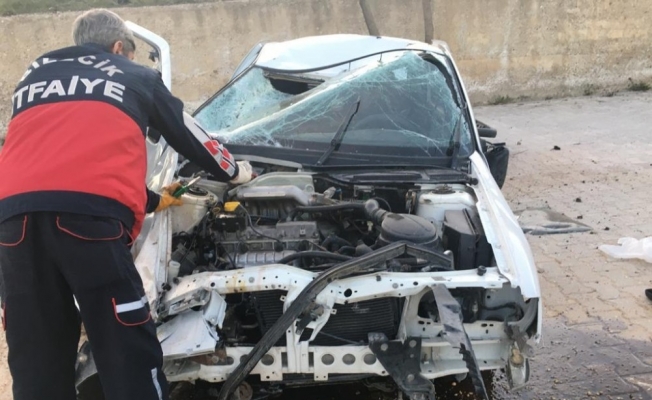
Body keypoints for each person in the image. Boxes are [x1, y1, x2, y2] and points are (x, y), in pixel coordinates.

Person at [0, 8, 253, 400]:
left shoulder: (34, 76)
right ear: (119, 48)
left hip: (12, 221)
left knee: (37, 353)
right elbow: (189, 133)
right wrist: (235, 171)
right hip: (87, 224)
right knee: (126, 344)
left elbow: (64, 163)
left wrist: (153, 200)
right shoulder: (135, 75)